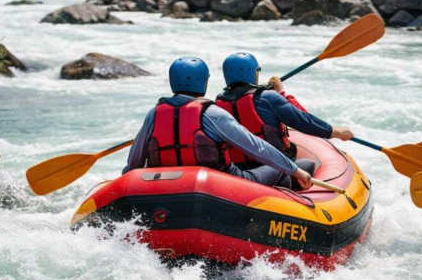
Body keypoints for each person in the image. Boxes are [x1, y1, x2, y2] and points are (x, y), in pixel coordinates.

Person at [122, 57, 312, 190]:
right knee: (278, 169)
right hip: (218, 186)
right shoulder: (212, 113)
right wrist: (295, 170)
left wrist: (125, 185)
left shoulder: (153, 114)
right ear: (203, 83)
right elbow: (258, 148)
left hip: (167, 185)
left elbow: (134, 163)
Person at [214, 52, 354, 175]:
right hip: (275, 165)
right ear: (253, 73)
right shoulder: (268, 97)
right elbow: (303, 121)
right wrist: (333, 131)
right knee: (308, 165)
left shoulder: (219, 102)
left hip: (239, 169)